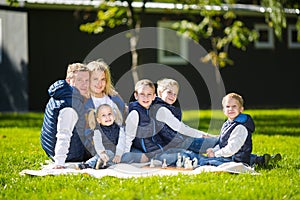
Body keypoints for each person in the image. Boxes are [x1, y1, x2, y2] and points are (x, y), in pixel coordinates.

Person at [122, 79, 208, 165]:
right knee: (184, 156)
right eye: (142, 94)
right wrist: (125, 156)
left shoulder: (151, 109)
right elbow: (129, 137)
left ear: (154, 96)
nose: (146, 98)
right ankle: (209, 161)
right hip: (154, 155)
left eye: (149, 94)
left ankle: (214, 160)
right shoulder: (135, 113)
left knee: (189, 154)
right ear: (136, 96)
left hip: (161, 149)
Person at [198, 92, 282, 167]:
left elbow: (232, 149)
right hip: (232, 155)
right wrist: (213, 150)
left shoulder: (240, 127)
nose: (230, 109)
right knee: (210, 158)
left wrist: (215, 154)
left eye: (234, 106)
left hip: (236, 159)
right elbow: (222, 143)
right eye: (227, 106)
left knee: (206, 162)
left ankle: (259, 161)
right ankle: (262, 160)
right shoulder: (227, 124)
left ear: (241, 109)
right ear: (224, 110)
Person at [40, 63, 90, 169]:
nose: (85, 84)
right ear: (68, 81)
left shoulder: (62, 94)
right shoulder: (70, 105)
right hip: (70, 154)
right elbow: (63, 134)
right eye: (80, 80)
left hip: (53, 150)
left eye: (87, 80)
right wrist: (59, 162)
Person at [83, 59, 127, 156]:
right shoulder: (86, 101)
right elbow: (87, 132)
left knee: (138, 156)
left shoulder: (113, 97)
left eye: (102, 79)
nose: (99, 83)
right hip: (99, 145)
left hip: (119, 141)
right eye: (95, 79)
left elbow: (124, 115)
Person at [77, 104, 126, 169]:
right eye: (103, 115)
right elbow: (98, 144)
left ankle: (105, 164)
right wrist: (102, 153)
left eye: (109, 114)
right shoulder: (97, 131)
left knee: (127, 156)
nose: (107, 117)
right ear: (99, 120)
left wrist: (118, 155)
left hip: (116, 153)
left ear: (114, 117)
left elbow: (121, 143)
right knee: (107, 153)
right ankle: (88, 164)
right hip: (102, 152)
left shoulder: (120, 129)